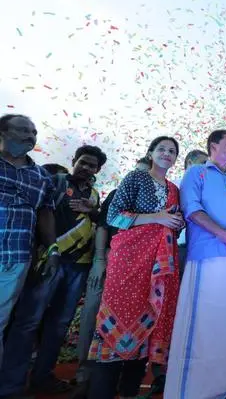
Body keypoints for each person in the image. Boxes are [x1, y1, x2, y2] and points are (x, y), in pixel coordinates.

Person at [0, 145, 106, 397]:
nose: (86, 168)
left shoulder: (94, 194)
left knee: (59, 325)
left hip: (79, 266)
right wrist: (49, 251)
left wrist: (93, 210)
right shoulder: (55, 181)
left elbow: (97, 222)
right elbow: (42, 213)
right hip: (50, 260)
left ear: (98, 170)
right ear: (74, 160)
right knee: (28, 323)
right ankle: (11, 385)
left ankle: (42, 377)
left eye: (92, 165)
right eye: (83, 162)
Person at [87, 136, 183, 399]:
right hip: (128, 261)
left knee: (149, 322)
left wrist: (175, 222)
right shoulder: (136, 178)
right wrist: (158, 217)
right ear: (150, 152)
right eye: (162, 149)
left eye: (172, 151)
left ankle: (129, 390)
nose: (167, 154)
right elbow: (113, 216)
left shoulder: (174, 188)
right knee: (119, 314)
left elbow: (177, 223)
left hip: (158, 264)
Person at [165, 131, 226, 399]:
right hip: (207, 255)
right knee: (201, 324)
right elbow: (192, 210)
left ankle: (222, 387)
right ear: (212, 146)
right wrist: (223, 234)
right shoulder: (196, 174)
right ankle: (191, 390)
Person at [71, 159, 151, 399]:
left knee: (139, 324)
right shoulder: (119, 194)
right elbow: (105, 226)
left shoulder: (159, 199)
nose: (141, 178)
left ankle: (127, 386)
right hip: (111, 267)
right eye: (137, 173)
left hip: (141, 271)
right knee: (96, 318)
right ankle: (86, 377)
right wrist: (99, 262)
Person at [0, 115, 59, 378]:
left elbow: (45, 214)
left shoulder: (41, 177)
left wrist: (53, 248)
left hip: (16, 257)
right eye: (23, 130)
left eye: (34, 132)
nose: (30, 136)